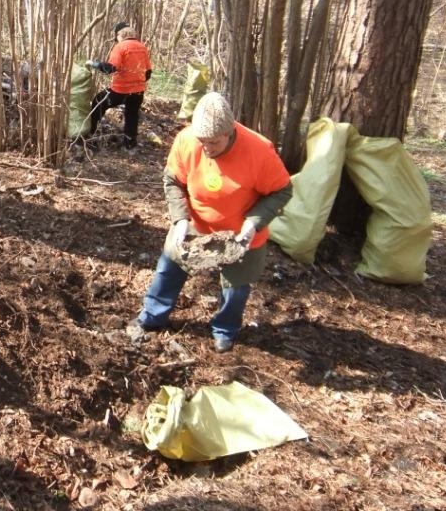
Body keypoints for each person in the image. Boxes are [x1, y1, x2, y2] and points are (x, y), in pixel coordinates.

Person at [130, 92, 292, 353]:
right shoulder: (186, 141)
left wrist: (253, 224)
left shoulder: (259, 151)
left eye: (214, 142)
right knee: (168, 268)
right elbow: (172, 180)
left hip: (241, 232)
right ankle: (151, 316)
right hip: (195, 222)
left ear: (231, 132)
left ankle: (224, 330)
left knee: (235, 289)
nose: (206, 148)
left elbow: (282, 190)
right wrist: (180, 219)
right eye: (202, 141)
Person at [86, 24, 152, 149]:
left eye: (117, 36)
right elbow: (148, 73)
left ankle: (90, 133)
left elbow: (110, 68)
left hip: (120, 90)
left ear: (120, 35)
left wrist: (94, 64)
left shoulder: (120, 47)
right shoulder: (142, 48)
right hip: (138, 91)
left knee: (98, 102)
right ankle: (130, 144)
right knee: (132, 115)